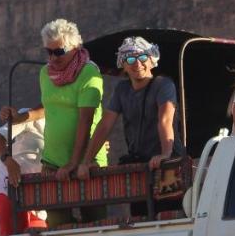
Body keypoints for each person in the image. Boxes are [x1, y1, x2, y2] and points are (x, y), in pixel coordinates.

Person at [0, 18, 108, 178]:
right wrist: (20, 117)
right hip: (52, 163)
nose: (53, 58)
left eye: (59, 52)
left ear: (76, 48)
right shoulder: (46, 73)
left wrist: (74, 162)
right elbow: (49, 106)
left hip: (87, 163)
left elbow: (86, 120)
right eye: (49, 52)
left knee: (92, 204)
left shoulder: (89, 73)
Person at [78, 36, 184, 180]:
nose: (137, 64)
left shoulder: (163, 85)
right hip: (141, 164)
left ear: (152, 61)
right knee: (140, 201)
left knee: (168, 201)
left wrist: (165, 154)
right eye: (130, 60)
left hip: (169, 161)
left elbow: (164, 120)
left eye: (142, 57)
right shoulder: (122, 89)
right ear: (124, 65)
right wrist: (87, 161)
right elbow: (105, 125)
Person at [0, 110, 47, 236]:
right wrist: (9, 161)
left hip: (39, 198)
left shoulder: (65, 125)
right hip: (12, 189)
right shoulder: (29, 115)